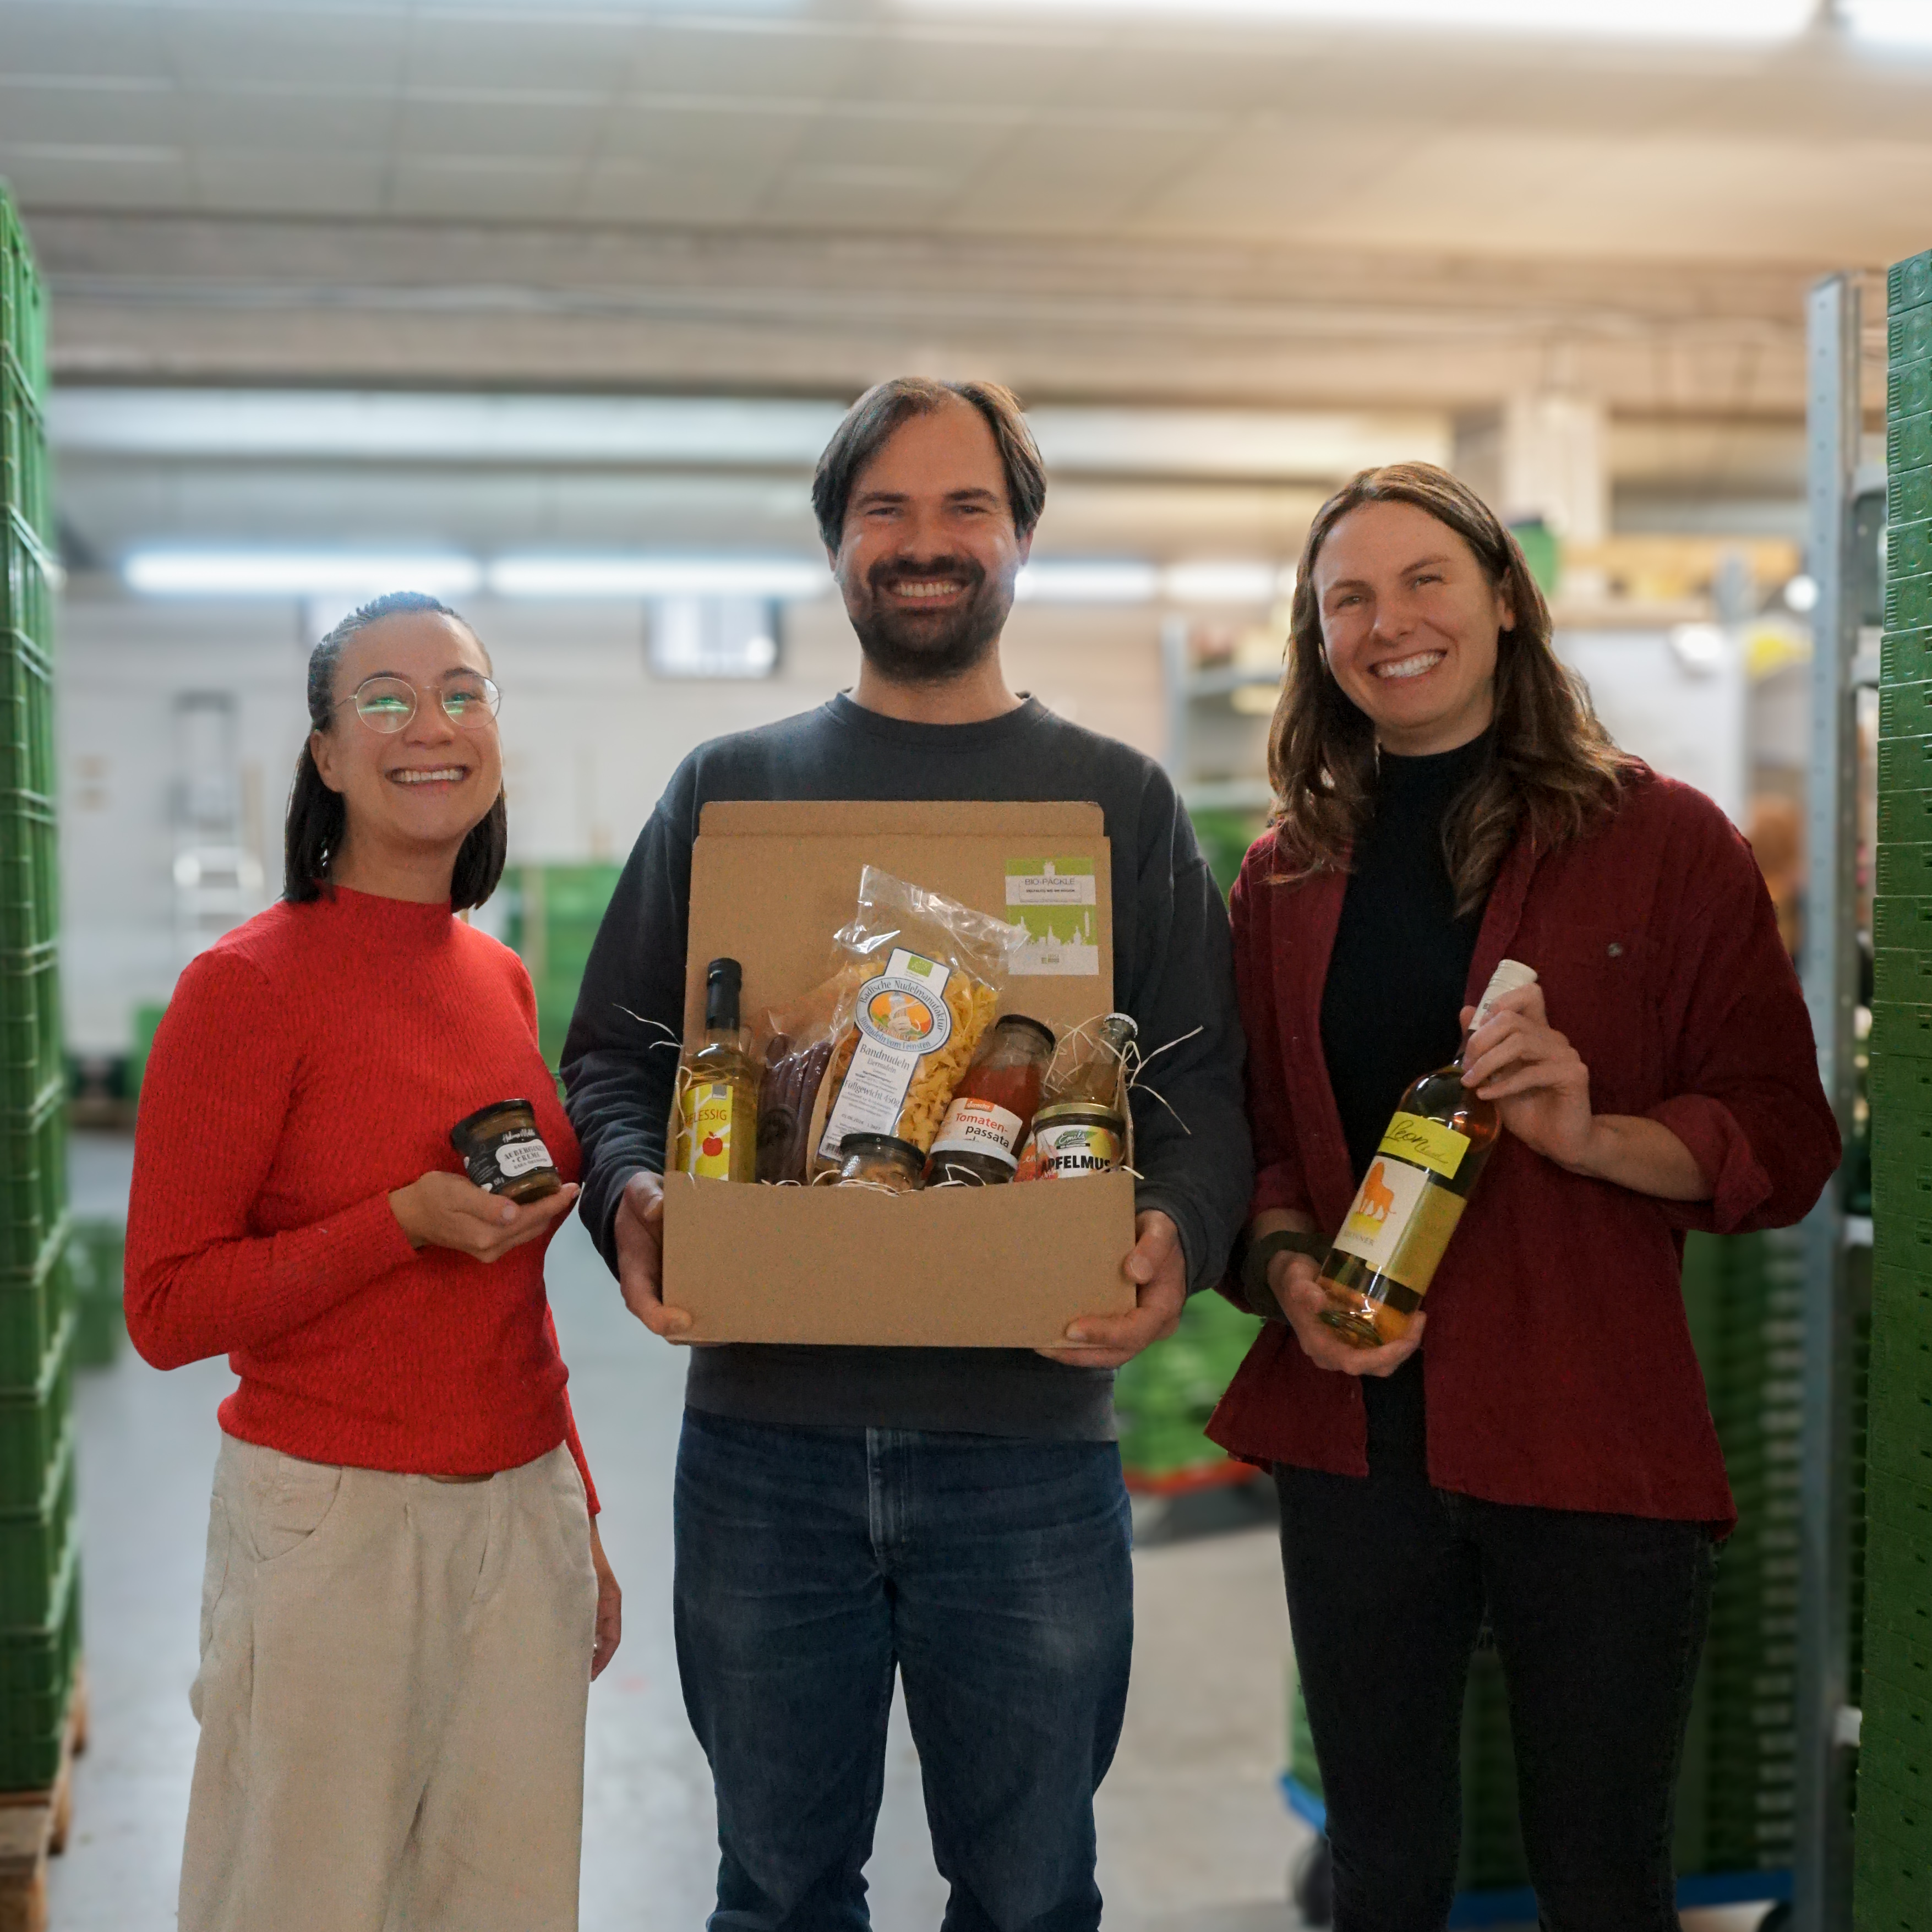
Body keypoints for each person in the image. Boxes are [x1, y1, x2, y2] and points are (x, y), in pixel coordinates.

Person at [562, 378, 1251, 1931]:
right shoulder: (728, 791)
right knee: (777, 1888)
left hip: (1028, 1438)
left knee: (1027, 1892)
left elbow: (1202, 1080)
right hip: (767, 1439)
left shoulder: (1115, 800)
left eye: (964, 508)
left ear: (1020, 541)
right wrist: (631, 1192)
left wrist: (1180, 1230)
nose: (924, 542)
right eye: (884, 509)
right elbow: (610, 1056)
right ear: (836, 547)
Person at [1205, 463, 1840, 1932]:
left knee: (1601, 1877)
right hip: (1356, 1441)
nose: (1389, 622)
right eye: (1348, 598)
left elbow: (1780, 1137)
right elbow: (1263, 1145)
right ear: (1317, 640)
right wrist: (1291, 1272)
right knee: (1378, 1871)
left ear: (1503, 597)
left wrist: (1591, 1133)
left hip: (1588, 1424)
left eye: (1424, 578)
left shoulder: (1666, 843)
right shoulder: (1287, 874)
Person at [126, 591, 621, 1932]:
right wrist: (395, 1224)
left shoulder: (499, 978)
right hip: (332, 1525)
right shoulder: (247, 985)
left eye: (463, 694)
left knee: (507, 1903)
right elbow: (166, 1308)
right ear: (327, 755)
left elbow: (512, 1293)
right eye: (385, 701)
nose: (431, 727)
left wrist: (574, 1507)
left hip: (517, 1511)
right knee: (301, 1900)